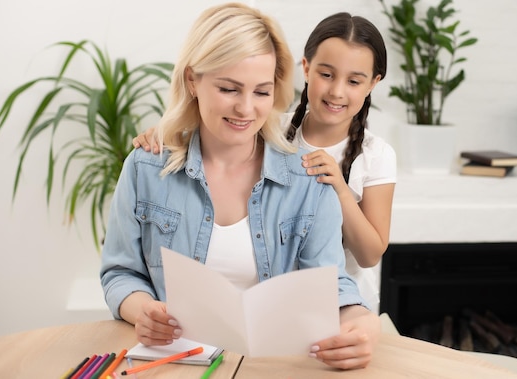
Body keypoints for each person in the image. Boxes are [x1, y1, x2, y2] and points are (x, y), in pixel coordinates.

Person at [101, 2, 379, 370]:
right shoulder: (146, 166)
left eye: (261, 92)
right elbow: (120, 272)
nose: (246, 109)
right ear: (192, 80)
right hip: (174, 365)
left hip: (273, 367)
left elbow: (331, 287)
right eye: (229, 89)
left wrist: (361, 324)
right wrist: (143, 311)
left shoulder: (309, 180)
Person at [133, 12, 397, 313]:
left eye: (353, 81)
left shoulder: (377, 155)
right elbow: (220, 136)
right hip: (277, 299)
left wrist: (338, 186)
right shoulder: (269, 130)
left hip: (339, 303)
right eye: (326, 74)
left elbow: (370, 255)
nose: (337, 91)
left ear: (374, 83)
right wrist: (169, 134)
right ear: (306, 69)